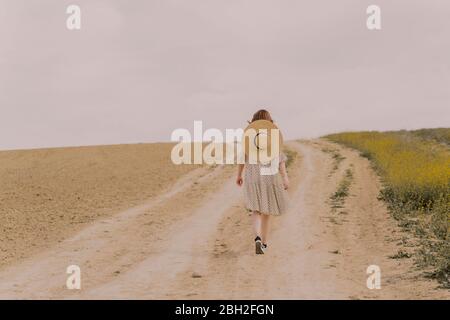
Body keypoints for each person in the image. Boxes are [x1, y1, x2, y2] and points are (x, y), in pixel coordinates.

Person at [236, 109, 289, 254]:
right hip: (269, 177)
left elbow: (242, 159)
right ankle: (264, 244)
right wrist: (285, 177)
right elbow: (280, 160)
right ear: (270, 122)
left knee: (256, 210)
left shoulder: (250, 139)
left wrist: (239, 175)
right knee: (267, 212)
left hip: (253, 177)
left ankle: (257, 237)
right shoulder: (273, 138)